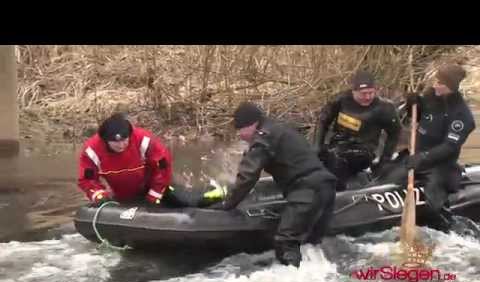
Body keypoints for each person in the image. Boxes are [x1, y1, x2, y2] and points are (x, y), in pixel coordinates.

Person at [211, 102, 337, 268]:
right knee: (310, 243)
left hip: (307, 191)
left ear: (252, 124)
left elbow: (248, 176)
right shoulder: (280, 129)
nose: (240, 135)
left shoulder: (264, 138)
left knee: (285, 242)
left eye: (241, 129)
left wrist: (228, 204)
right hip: (326, 188)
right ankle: (318, 275)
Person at [385, 64, 475, 232]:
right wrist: (414, 103)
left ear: (451, 87)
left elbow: (449, 147)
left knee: (432, 206)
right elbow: (417, 115)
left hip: (439, 166)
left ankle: (448, 231)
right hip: (415, 158)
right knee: (387, 179)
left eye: (440, 83)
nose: (435, 86)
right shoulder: (431, 96)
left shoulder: (462, 116)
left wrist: (423, 157)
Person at [77, 112, 224, 207]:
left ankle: (214, 192)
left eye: (125, 140)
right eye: (116, 142)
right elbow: (87, 179)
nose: (121, 145)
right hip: (123, 193)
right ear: (105, 141)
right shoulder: (92, 151)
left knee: (183, 201)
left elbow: (163, 165)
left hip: (152, 185)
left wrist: (155, 193)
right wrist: (98, 195)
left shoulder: (143, 140)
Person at [314, 70, 401, 190]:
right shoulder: (340, 100)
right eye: (363, 94)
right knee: (322, 157)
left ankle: (337, 192)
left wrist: (384, 160)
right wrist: (317, 146)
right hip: (338, 145)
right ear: (353, 91)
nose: (368, 97)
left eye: (371, 93)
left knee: (338, 160)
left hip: (363, 150)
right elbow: (323, 121)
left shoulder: (385, 108)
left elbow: (395, 133)